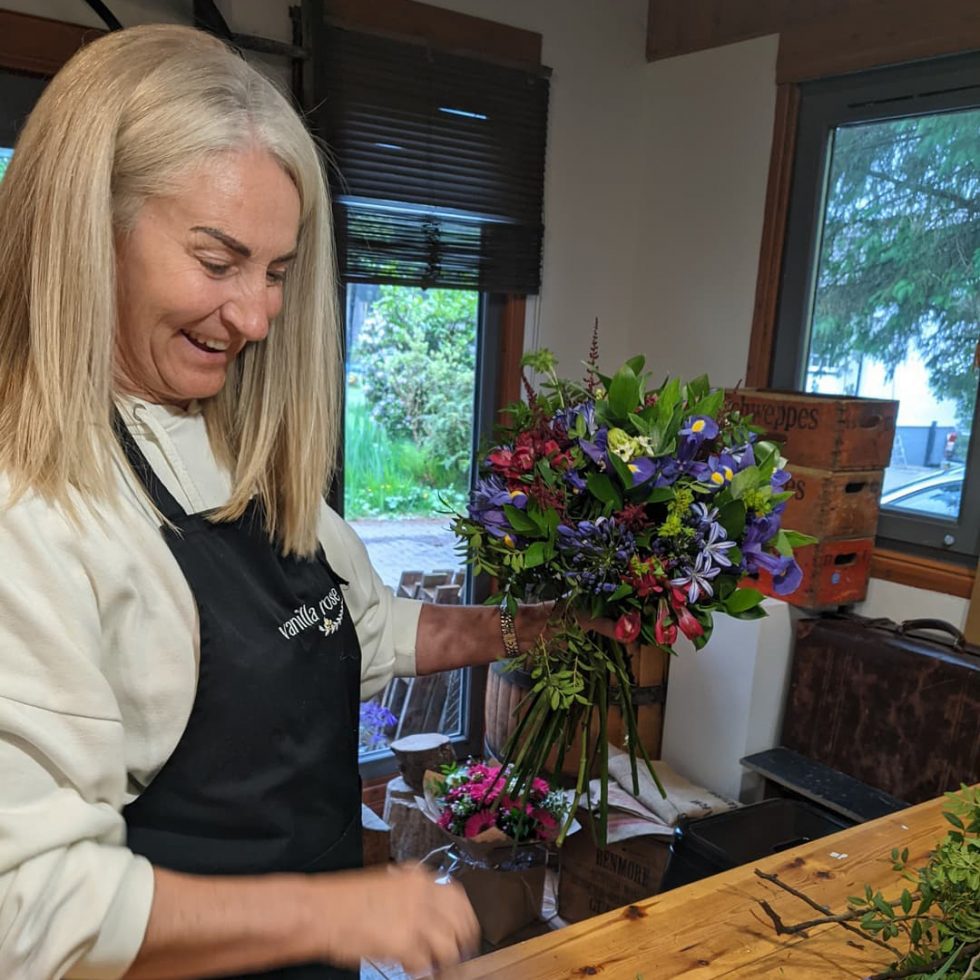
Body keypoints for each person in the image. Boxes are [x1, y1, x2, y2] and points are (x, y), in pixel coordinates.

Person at [0, 24, 553, 980]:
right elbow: (34, 913)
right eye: (218, 263)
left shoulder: (228, 438)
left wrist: (548, 626)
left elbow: (362, 632)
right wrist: (337, 913)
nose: (258, 318)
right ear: (87, 232)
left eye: (279, 273)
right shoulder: (37, 515)